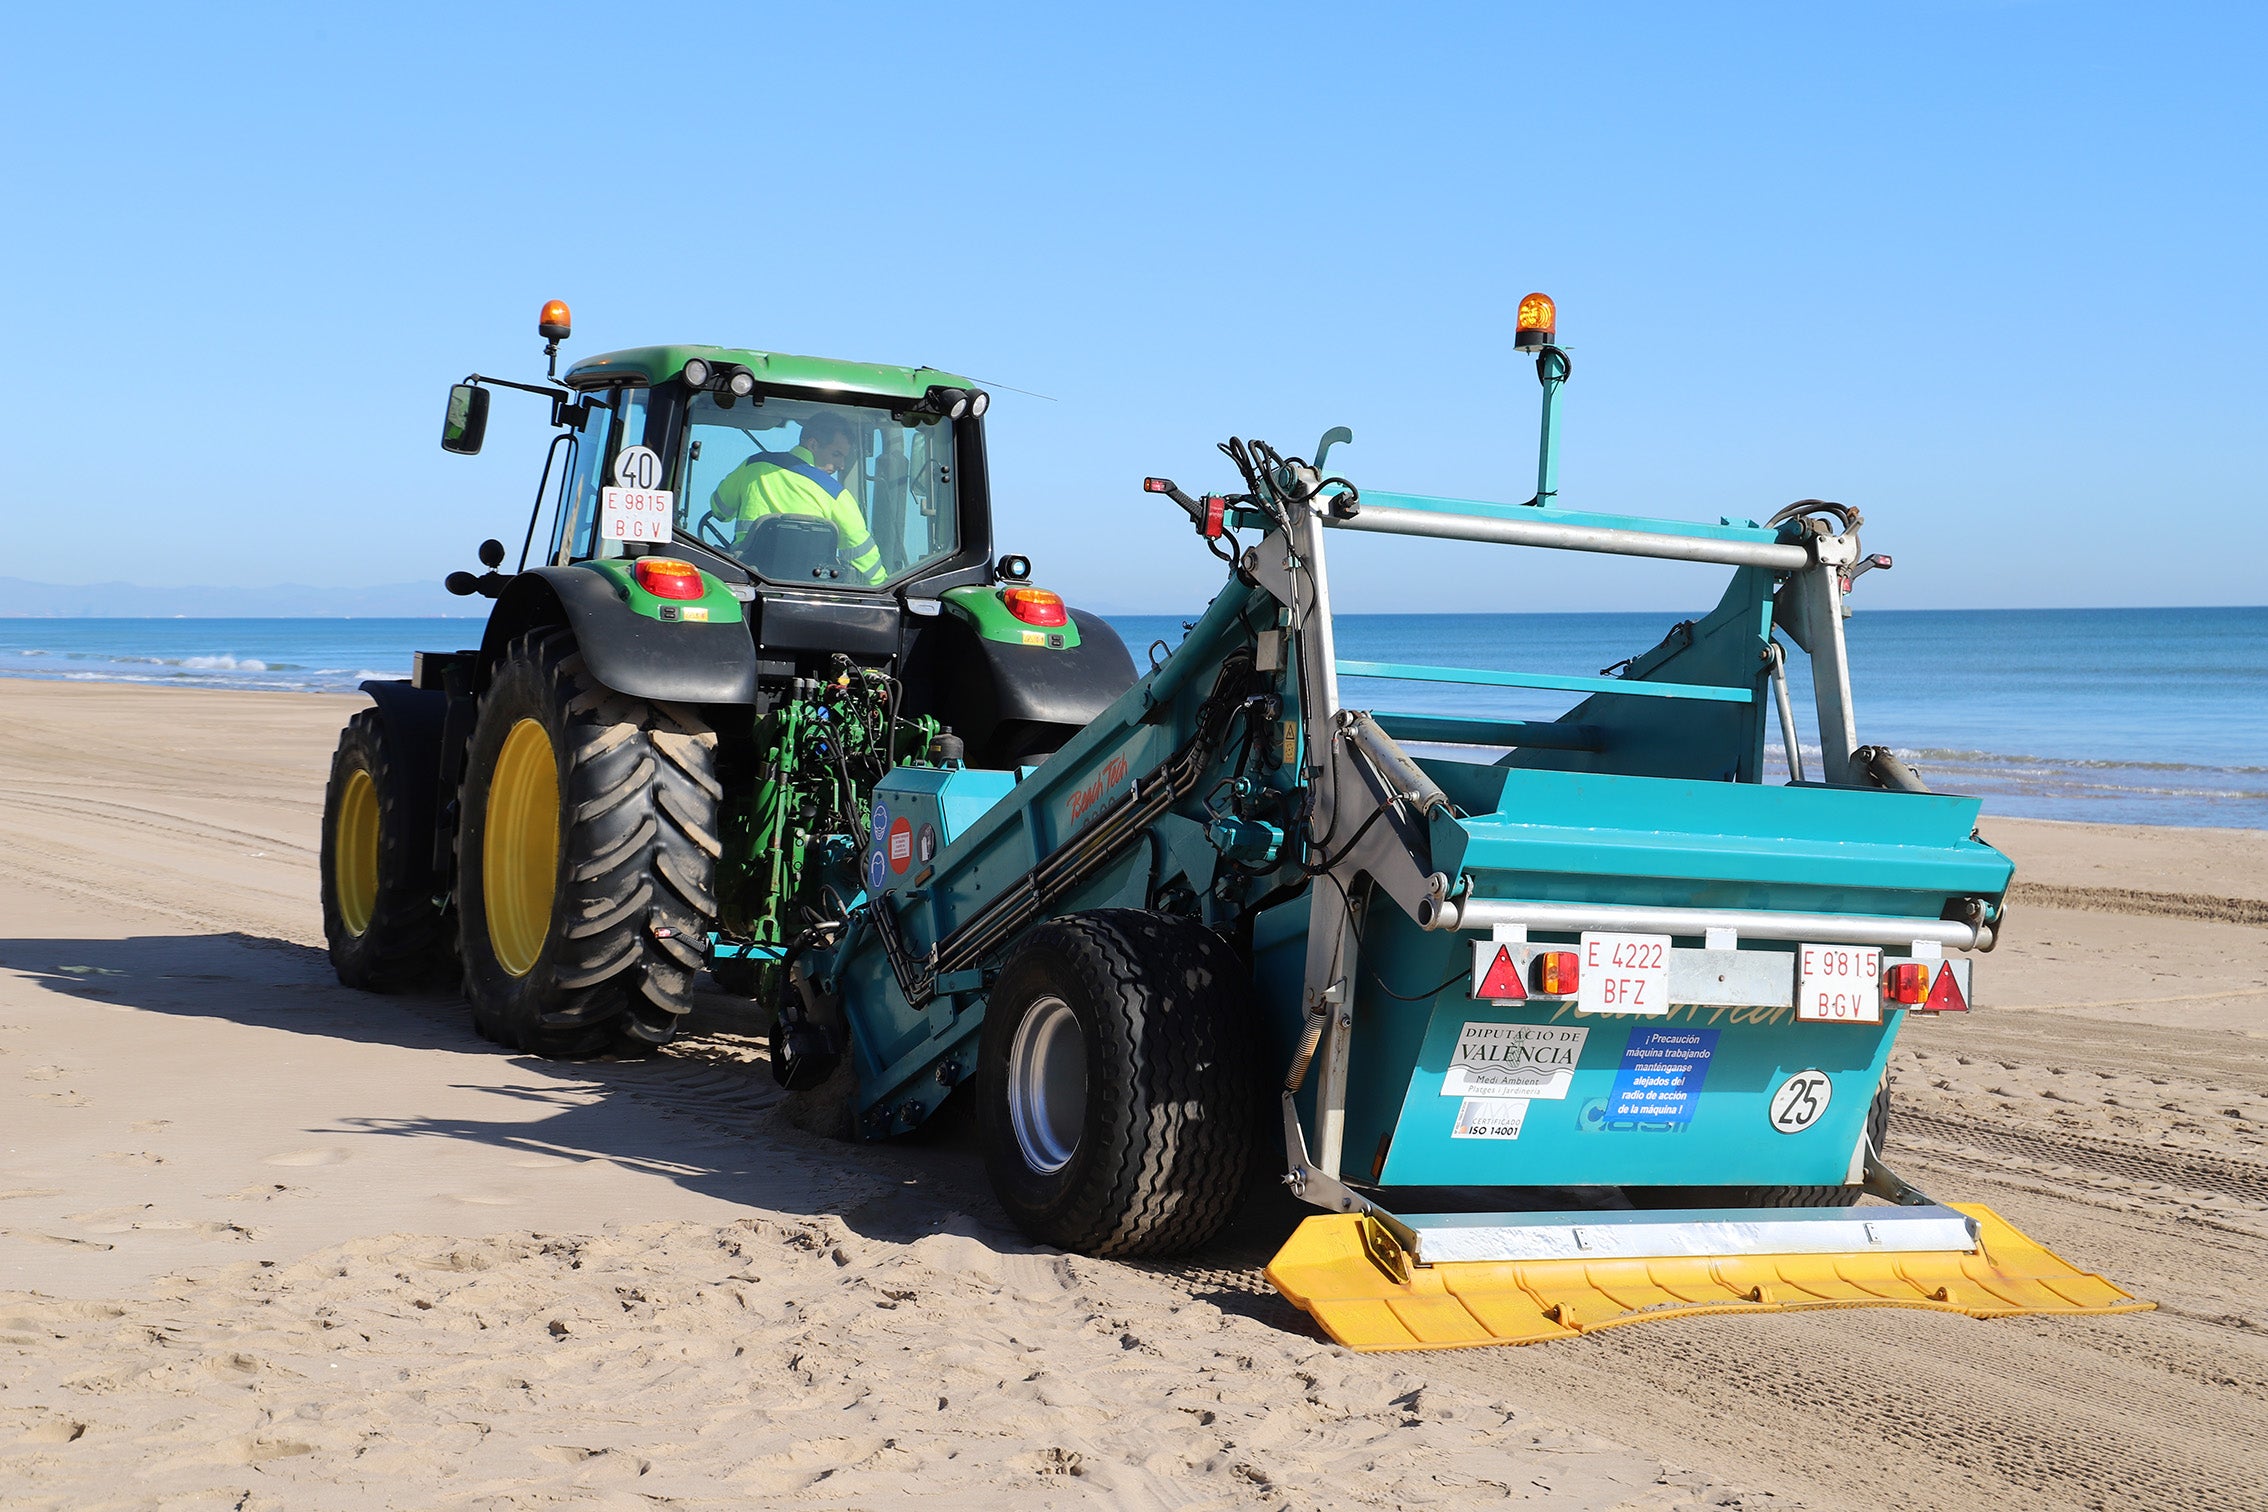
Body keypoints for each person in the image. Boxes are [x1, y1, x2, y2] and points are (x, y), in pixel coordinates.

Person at [706, 411, 886, 584]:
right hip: (810, 586)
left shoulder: (753, 466)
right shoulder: (836, 495)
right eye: (836, 454)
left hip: (747, 576)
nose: (841, 465)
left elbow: (720, 510)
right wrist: (882, 585)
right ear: (813, 445)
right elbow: (862, 553)